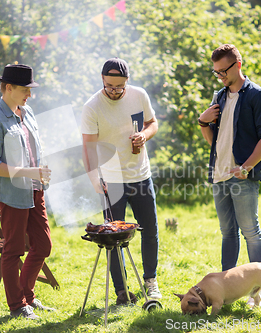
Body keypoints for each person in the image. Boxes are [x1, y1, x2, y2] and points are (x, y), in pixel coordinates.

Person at [81, 58, 162, 304]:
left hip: (140, 175)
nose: (115, 92)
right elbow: (88, 147)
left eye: (120, 87)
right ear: (102, 80)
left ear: (128, 81)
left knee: (150, 230)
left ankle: (151, 282)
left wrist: (144, 135)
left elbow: (152, 122)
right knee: (113, 238)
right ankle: (122, 291)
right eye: (110, 86)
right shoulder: (92, 106)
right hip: (111, 180)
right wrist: (94, 178)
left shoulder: (139, 95)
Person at [0, 64, 54, 319]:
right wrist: (28, 172)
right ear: (8, 88)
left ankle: (27, 296)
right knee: (13, 250)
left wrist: (39, 171)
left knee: (43, 245)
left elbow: (33, 150)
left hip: (35, 190)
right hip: (12, 196)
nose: (29, 95)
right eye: (25, 90)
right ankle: (17, 305)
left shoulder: (28, 112)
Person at [198, 44, 261, 279]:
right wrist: (202, 123)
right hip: (219, 175)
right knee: (227, 233)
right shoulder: (219, 96)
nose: (220, 76)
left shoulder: (257, 96)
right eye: (216, 72)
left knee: (250, 232)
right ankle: (225, 286)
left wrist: (246, 167)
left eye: (224, 71)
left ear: (238, 65)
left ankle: (259, 289)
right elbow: (216, 141)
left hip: (242, 175)